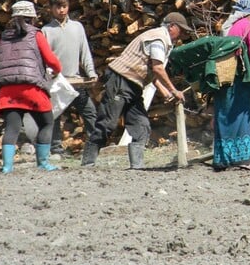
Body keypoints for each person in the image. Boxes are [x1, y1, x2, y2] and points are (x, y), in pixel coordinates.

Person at [81, 12, 193, 169]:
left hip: (133, 83)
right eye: (181, 30)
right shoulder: (159, 38)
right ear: (172, 26)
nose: (182, 35)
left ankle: (137, 166)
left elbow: (151, 71)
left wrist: (165, 92)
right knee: (108, 123)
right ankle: (88, 162)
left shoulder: (162, 39)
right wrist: (174, 90)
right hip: (121, 79)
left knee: (141, 125)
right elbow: (158, 68)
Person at [0, 0, 62, 174]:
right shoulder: (35, 34)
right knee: (47, 123)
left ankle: (7, 167)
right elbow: (51, 59)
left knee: (11, 128)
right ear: (32, 17)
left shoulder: (4, 36)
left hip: (7, 89)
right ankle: (43, 163)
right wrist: (57, 70)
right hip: (31, 88)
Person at [41, 0, 98, 158]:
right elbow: (45, 58)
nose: (61, 10)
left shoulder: (77, 27)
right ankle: (56, 149)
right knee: (55, 115)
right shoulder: (46, 30)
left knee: (89, 112)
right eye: (57, 7)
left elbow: (85, 52)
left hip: (76, 80)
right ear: (51, 9)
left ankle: (95, 145)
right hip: (57, 82)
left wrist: (91, 71)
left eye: (64, 6)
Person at [213, 0, 250, 171]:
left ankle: (224, 159)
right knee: (246, 116)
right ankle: (246, 159)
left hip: (225, 77)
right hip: (242, 78)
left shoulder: (230, 28)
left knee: (226, 115)